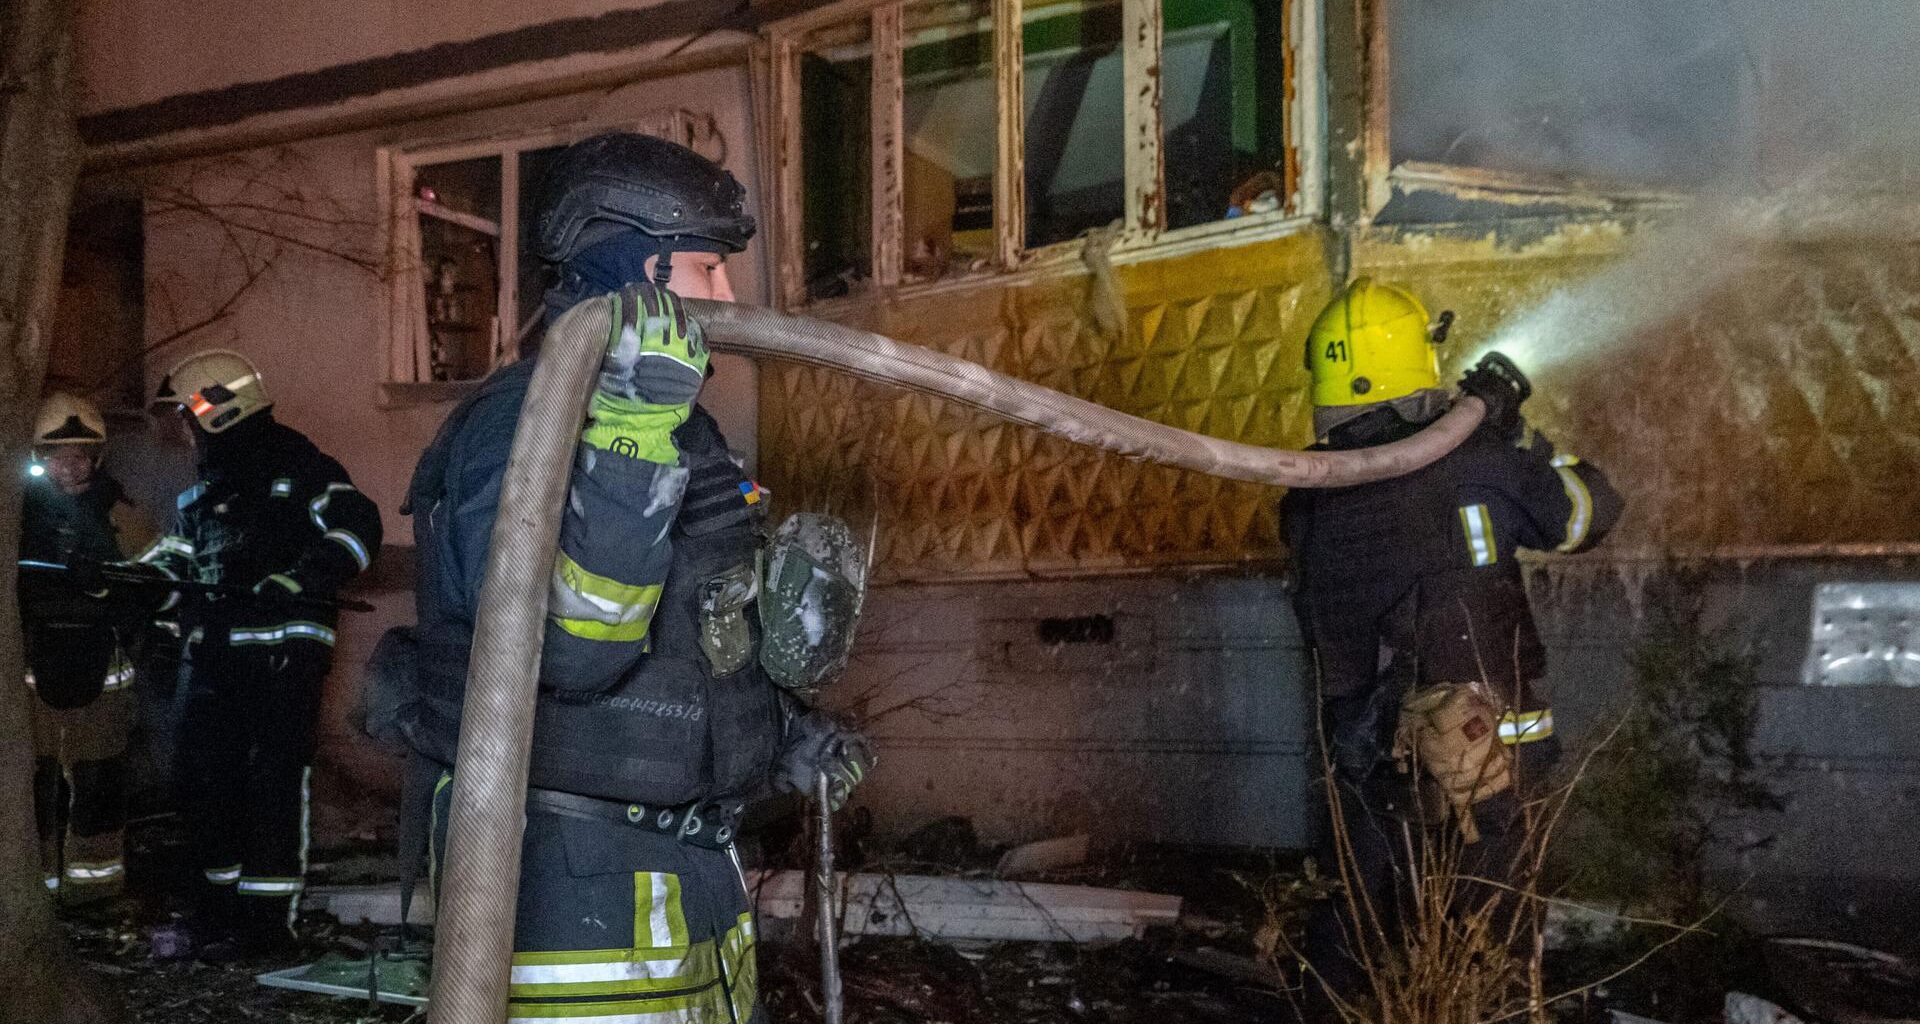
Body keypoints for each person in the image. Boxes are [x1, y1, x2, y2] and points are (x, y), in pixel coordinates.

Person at [404, 132, 870, 1024]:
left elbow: (696, 626)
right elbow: (567, 651)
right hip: (574, 898)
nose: (729, 299)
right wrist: (627, 445)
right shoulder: (521, 422)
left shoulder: (675, 426)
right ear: (639, 272)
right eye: (707, 271)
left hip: (685, 876)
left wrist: (781, 743)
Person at [1281, 279, 1624, 1006]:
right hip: (1492, 765)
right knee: (1490, 931)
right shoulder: (1483, 464)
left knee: (1368, 920)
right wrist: (1509, 435)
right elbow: (1587, 514)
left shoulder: (1306, 494)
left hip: (1369, 765)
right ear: (1416, 364)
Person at [136, 351, 382, 954]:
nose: (182, 431)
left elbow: (358, 528)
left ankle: (267, 929)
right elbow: (175, 564)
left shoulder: (298, 465)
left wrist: (299, 581)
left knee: (270, 784)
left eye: (185, 417)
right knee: (203, 782)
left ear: (216, 408)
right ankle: (215, 914)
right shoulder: (200, 493)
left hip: (282, 658)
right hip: (215, 657)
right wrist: (127, 584)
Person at [20, 391, 152, 904]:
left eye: (80, 454)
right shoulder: (15, 518)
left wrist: (104, 584)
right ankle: (37, 892)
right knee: (36, 781)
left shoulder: (124, 516)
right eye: (56, 455)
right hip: (32, 669)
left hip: (104, 670)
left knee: (98, 783)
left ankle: (94, 894)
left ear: (97, 458)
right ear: (36, 458)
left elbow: (150, 587)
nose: (69, 466)